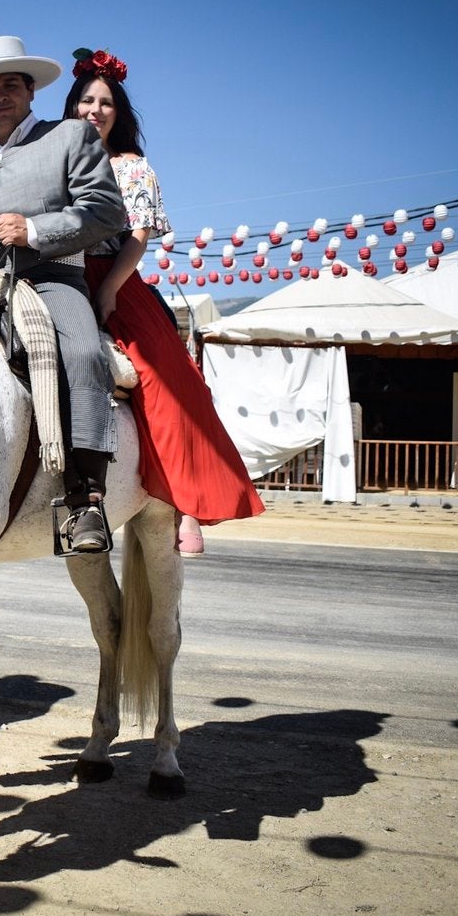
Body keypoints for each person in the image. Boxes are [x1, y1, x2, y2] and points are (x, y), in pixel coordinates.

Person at [0, 35, 126, 553]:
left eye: (10, 84)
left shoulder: (70, 138)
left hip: (51, 277)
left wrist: (34, 230)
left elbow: (105, 212)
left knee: (81, 352)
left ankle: (85, 501)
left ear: (31, 90)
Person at [62, 48, 263, 553]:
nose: (95, 109)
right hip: (57, 272)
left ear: (118, 113)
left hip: (113, 275)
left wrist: (107, 290)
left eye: (105, 102)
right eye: (86, 99)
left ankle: (180, 502)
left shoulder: (132, 167)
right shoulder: (52, 160)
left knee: (165, 381)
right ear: (72, 106)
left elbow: (138, 237)